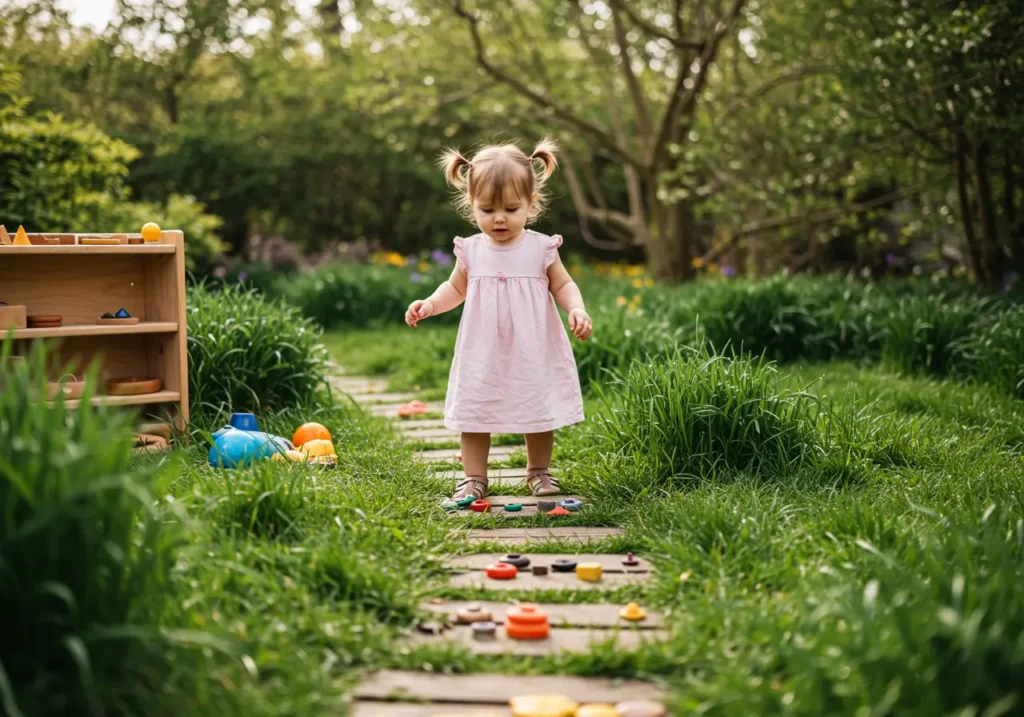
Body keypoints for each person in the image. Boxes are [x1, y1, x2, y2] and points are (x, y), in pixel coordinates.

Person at [404, 138, 592, 506]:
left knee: (537, 409)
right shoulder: (472, 249)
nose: (500, 218)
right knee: (476, 409)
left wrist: (577, 308)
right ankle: (474, 478)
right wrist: (430, 304)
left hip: (531, 348)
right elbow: (455, 288)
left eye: (511, 208)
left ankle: (539, 471)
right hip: (482, 349)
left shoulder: (541, 248)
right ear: (471, 203)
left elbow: (563, 284)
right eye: (487, 209)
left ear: (531, 203)